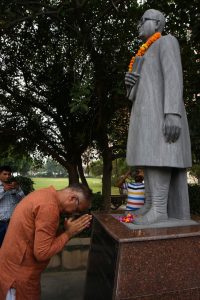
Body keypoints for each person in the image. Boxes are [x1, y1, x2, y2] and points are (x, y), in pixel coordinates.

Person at [125, 9, 192, 225]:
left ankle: (160, 209)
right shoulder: (142, 53)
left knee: (160, 158)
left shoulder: (167, 42)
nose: (138, 25)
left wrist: (172, 112)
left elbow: (173, 77)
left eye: (142, 21)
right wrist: (130, 84)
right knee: (149, 159)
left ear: (156, 24)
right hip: (146, 116)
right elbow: (134, 95)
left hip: (161, 113)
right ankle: (151, 204)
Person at [0, 183, 92, 300]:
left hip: (10, 269)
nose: (73, 214)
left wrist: (63, 230)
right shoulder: (49, 208)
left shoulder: (45, 194)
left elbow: (41, 237)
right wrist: (68, 234)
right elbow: (42, 253)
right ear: (73, 198)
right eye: (77, 210)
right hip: (18, 278)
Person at [0, 165, 25, 246]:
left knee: (11, 246)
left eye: (9, 174)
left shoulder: (14, 186)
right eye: (5, 174)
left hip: (12, 222)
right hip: (1, 223)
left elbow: (23, 199)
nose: (7, 176)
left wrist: (18, 188)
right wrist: (4, 190)